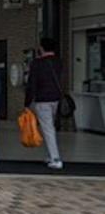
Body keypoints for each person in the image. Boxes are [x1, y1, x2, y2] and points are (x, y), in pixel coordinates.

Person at [25, 37, 65, 170]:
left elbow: (32, 84)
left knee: (48, 129)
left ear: (41, 48)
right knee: (50, 127)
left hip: (42, 99)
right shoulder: (58, 62)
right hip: (56, 98)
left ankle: (55, 158)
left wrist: (27, 102)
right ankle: (50, 155)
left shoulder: (37, 63)